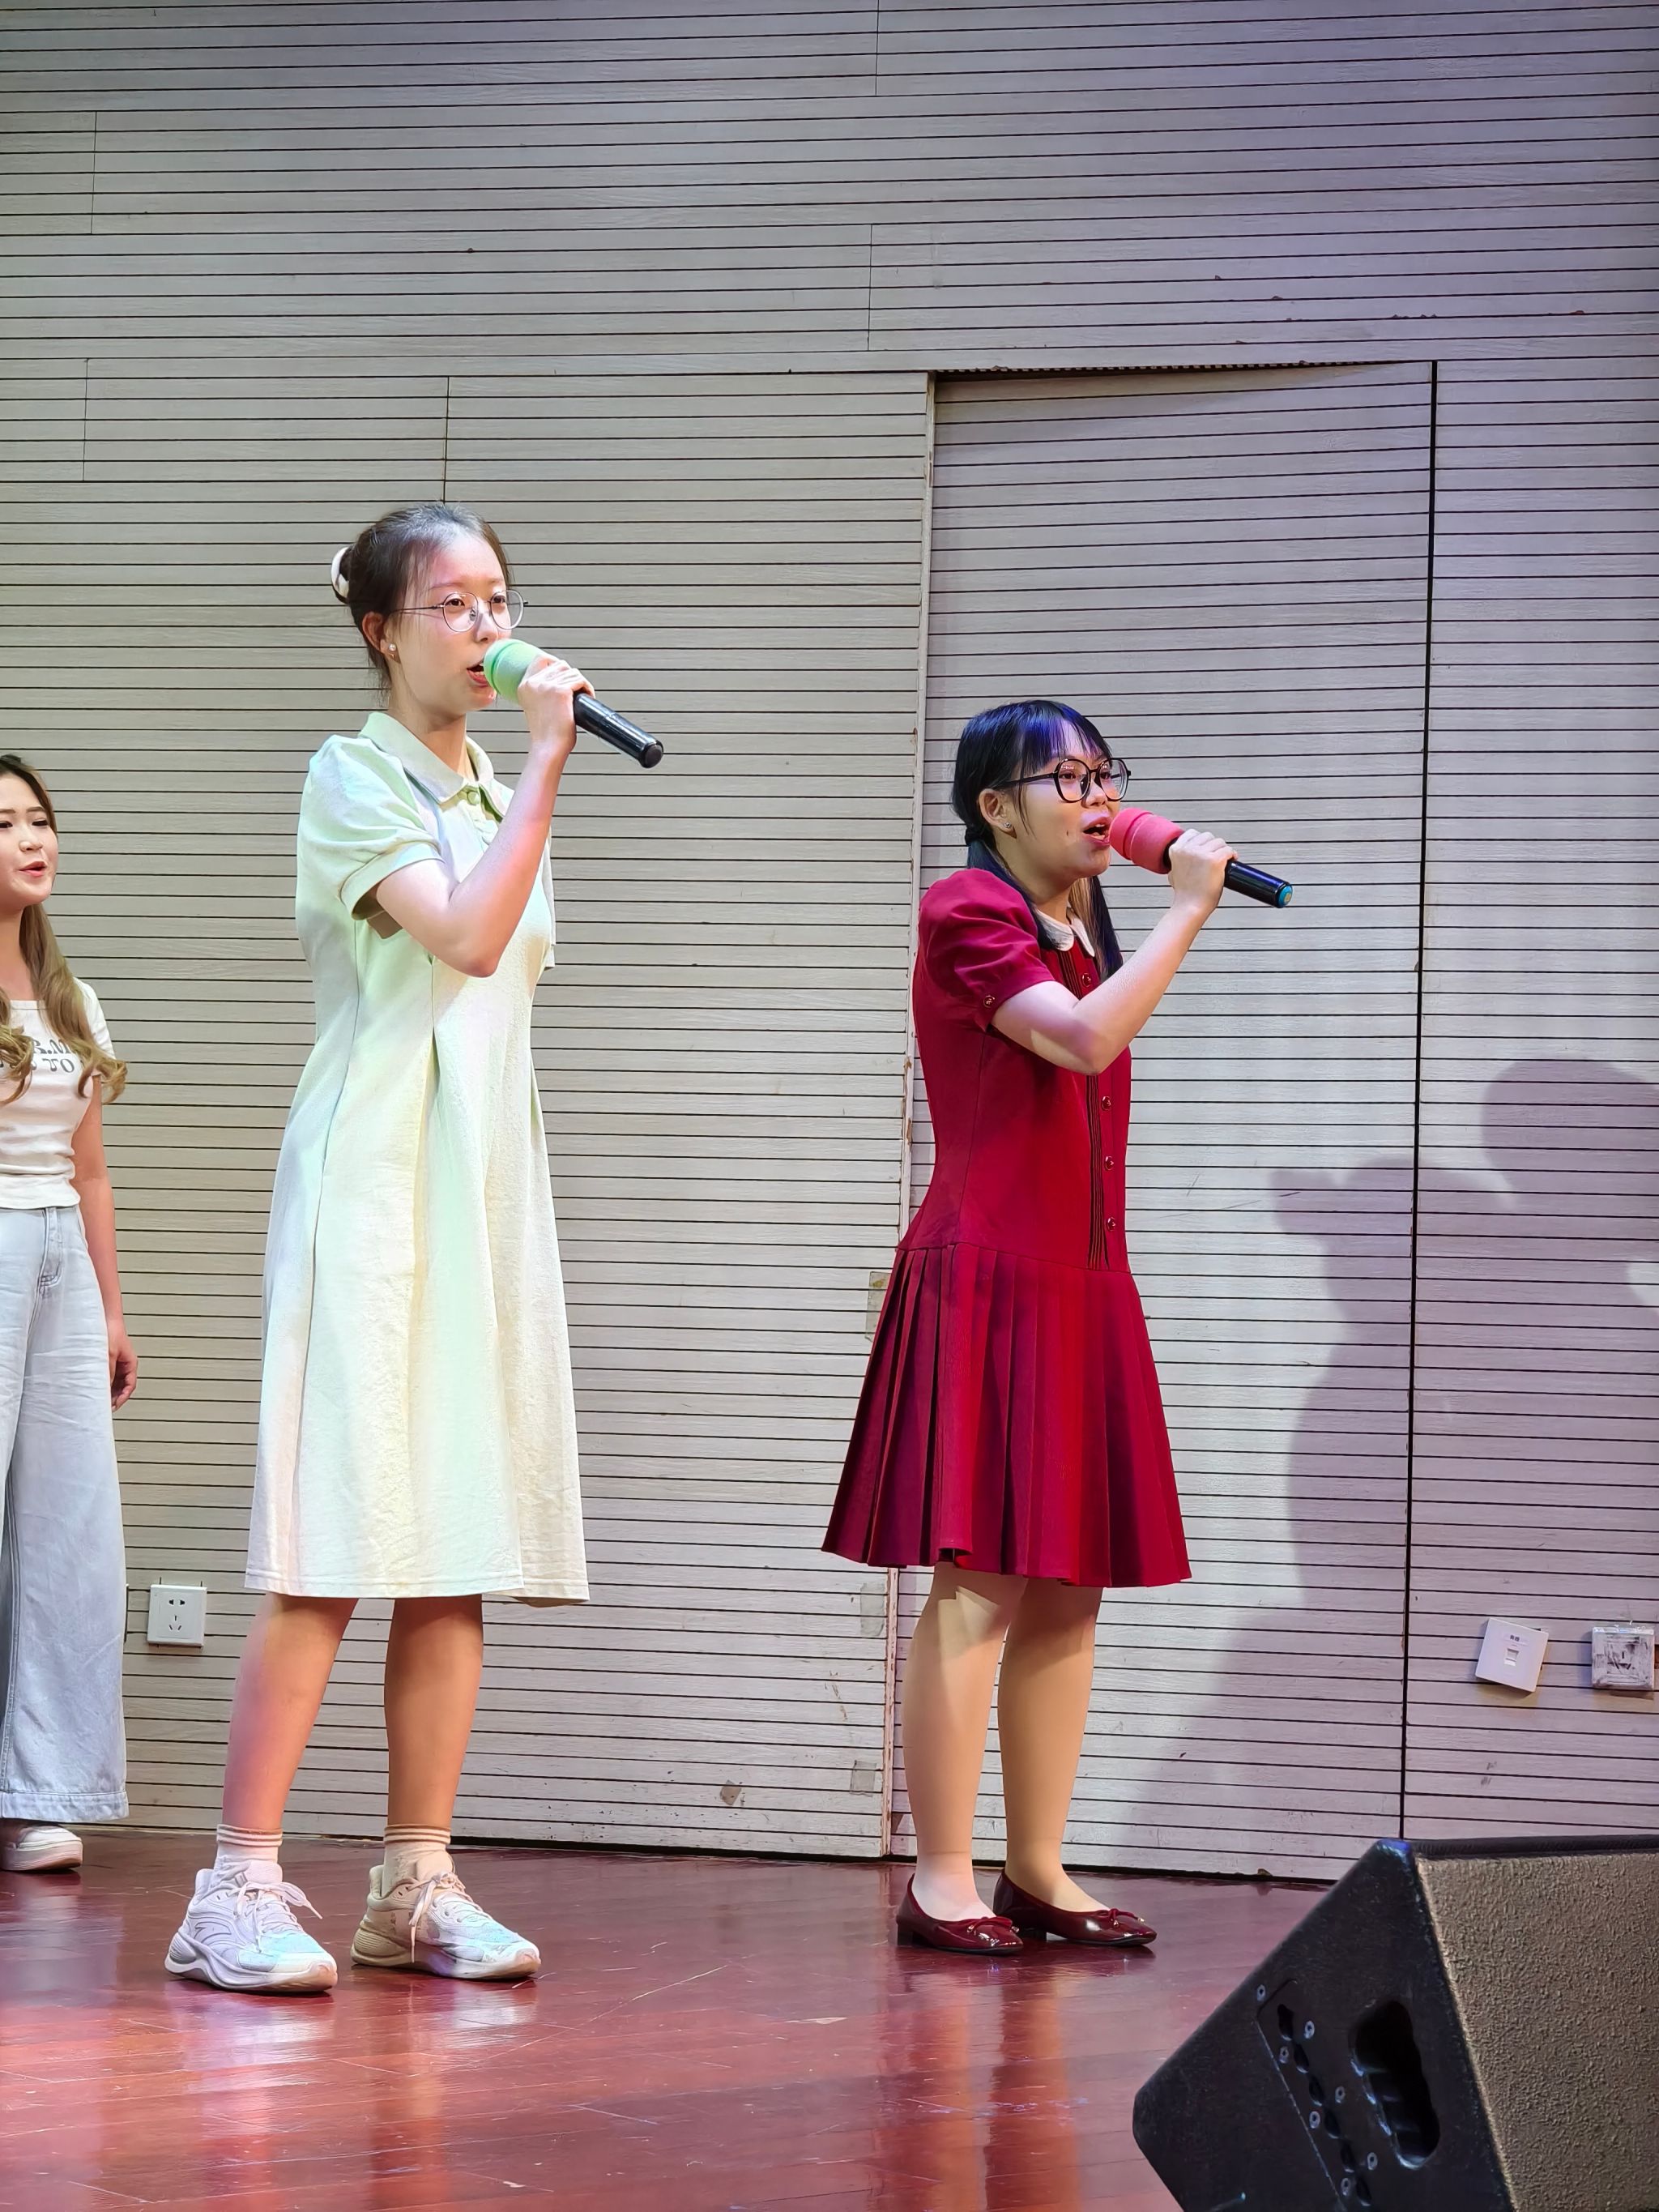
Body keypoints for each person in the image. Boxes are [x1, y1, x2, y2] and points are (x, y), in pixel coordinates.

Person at [167, 502, 588, 1993]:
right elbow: (460, 939)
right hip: (374, 1176)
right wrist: (548, 764)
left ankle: (415, 1879)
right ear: (379, 630)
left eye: (500, 599)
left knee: (454, 1537)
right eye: (453, 604)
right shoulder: (353, 774)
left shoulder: (494, 788)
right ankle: (233, 1886)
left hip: (482, 1176)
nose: (488, 628)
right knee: (333, 1533)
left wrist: (526, 778)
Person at [825, 700, 1232, 1953]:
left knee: (1071, 1587)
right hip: (991, 1270)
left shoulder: (1079, 921)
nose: (1099, 797)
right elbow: (1082, 1041)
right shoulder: (969, 910)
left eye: (1107, 774)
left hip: (1083, 1277)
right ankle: (940, 1876)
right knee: (981, 1581)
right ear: (995, 806)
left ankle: (1037, 1866)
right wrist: (1187, 908)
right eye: (1068, 777)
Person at [0, 754, 134, 1876]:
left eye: (40, 819)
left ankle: (40, 1790)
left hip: (60, 1265)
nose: (32, 839)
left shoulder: (71, 1000)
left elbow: (89, 1171)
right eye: (4, 824)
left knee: (67, 1529)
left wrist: (113, 1311)